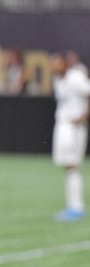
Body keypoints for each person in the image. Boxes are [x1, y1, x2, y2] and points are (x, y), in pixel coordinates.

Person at [51, 52, 90, 221]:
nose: (54, 66)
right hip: (63, 125)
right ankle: (71, 206)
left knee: (72, 164)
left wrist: (85, 115)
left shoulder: (75, 77)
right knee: (66, 165)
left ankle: (77, 207)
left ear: (64, 64)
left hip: (74, 127)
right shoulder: (58, 80)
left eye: (57, 63)